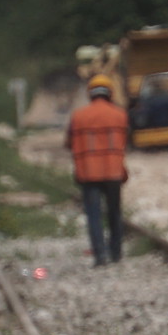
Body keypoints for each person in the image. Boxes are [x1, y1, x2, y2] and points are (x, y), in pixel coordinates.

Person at [68, 74, 129, 266]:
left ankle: (100, 255)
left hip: (88, 172)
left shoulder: (78, 116)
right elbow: (124, 142)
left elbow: (69, 142)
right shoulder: (120, 114)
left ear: (90, 93)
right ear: (110, 92)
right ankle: (116, 253)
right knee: (114, 212)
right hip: (113, 172)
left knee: (93, 215)